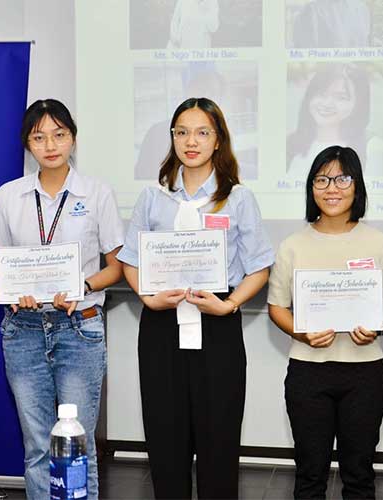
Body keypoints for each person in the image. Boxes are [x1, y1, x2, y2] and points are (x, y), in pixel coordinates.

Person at [117, 97, 274, 499]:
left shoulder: (237, 198)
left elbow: (259, 267)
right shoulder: (154, 197)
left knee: (218, 440)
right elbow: (130, 260)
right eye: (182, 132)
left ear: (218, 140)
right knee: (165, 440)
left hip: (217, 321)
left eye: (203, 132)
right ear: (172, 138)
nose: (192, 141)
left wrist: (230, 303)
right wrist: (147, 298)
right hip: (161, 325)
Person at [0, 99, 124, 500]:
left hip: (80, 331)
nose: (50, 145)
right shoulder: (10, 196)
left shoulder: (97, 194)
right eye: (39, 136)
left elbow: (116, 266)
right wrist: (10, 290)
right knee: (38, 446)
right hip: (24, 331)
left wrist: (83, 285)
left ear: (73, 139)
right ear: (27, 144)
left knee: (78, 446)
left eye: (59, 134)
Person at [267, 145, 383, 498]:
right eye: (322, 179)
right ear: (311, 188)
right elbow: (277, 307)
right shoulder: (292, 244)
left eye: (343, 178)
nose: (332, 188)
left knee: (359, 475)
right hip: (308, 371)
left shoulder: (380, 243)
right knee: (310, 475)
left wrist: (376, 325)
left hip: (364, 372)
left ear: (357, 186)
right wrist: (302, 332)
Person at [287, 63, 382, 178]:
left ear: (358, 105)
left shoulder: (373, 147)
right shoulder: (291, 143)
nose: (327, 104)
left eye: (341, 97)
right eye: (321, 94)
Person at [291, 0, 371, 48]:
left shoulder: (362, 8)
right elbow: (304, 52)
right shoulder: (311, 11)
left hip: (358, 73)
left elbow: (364, 43)